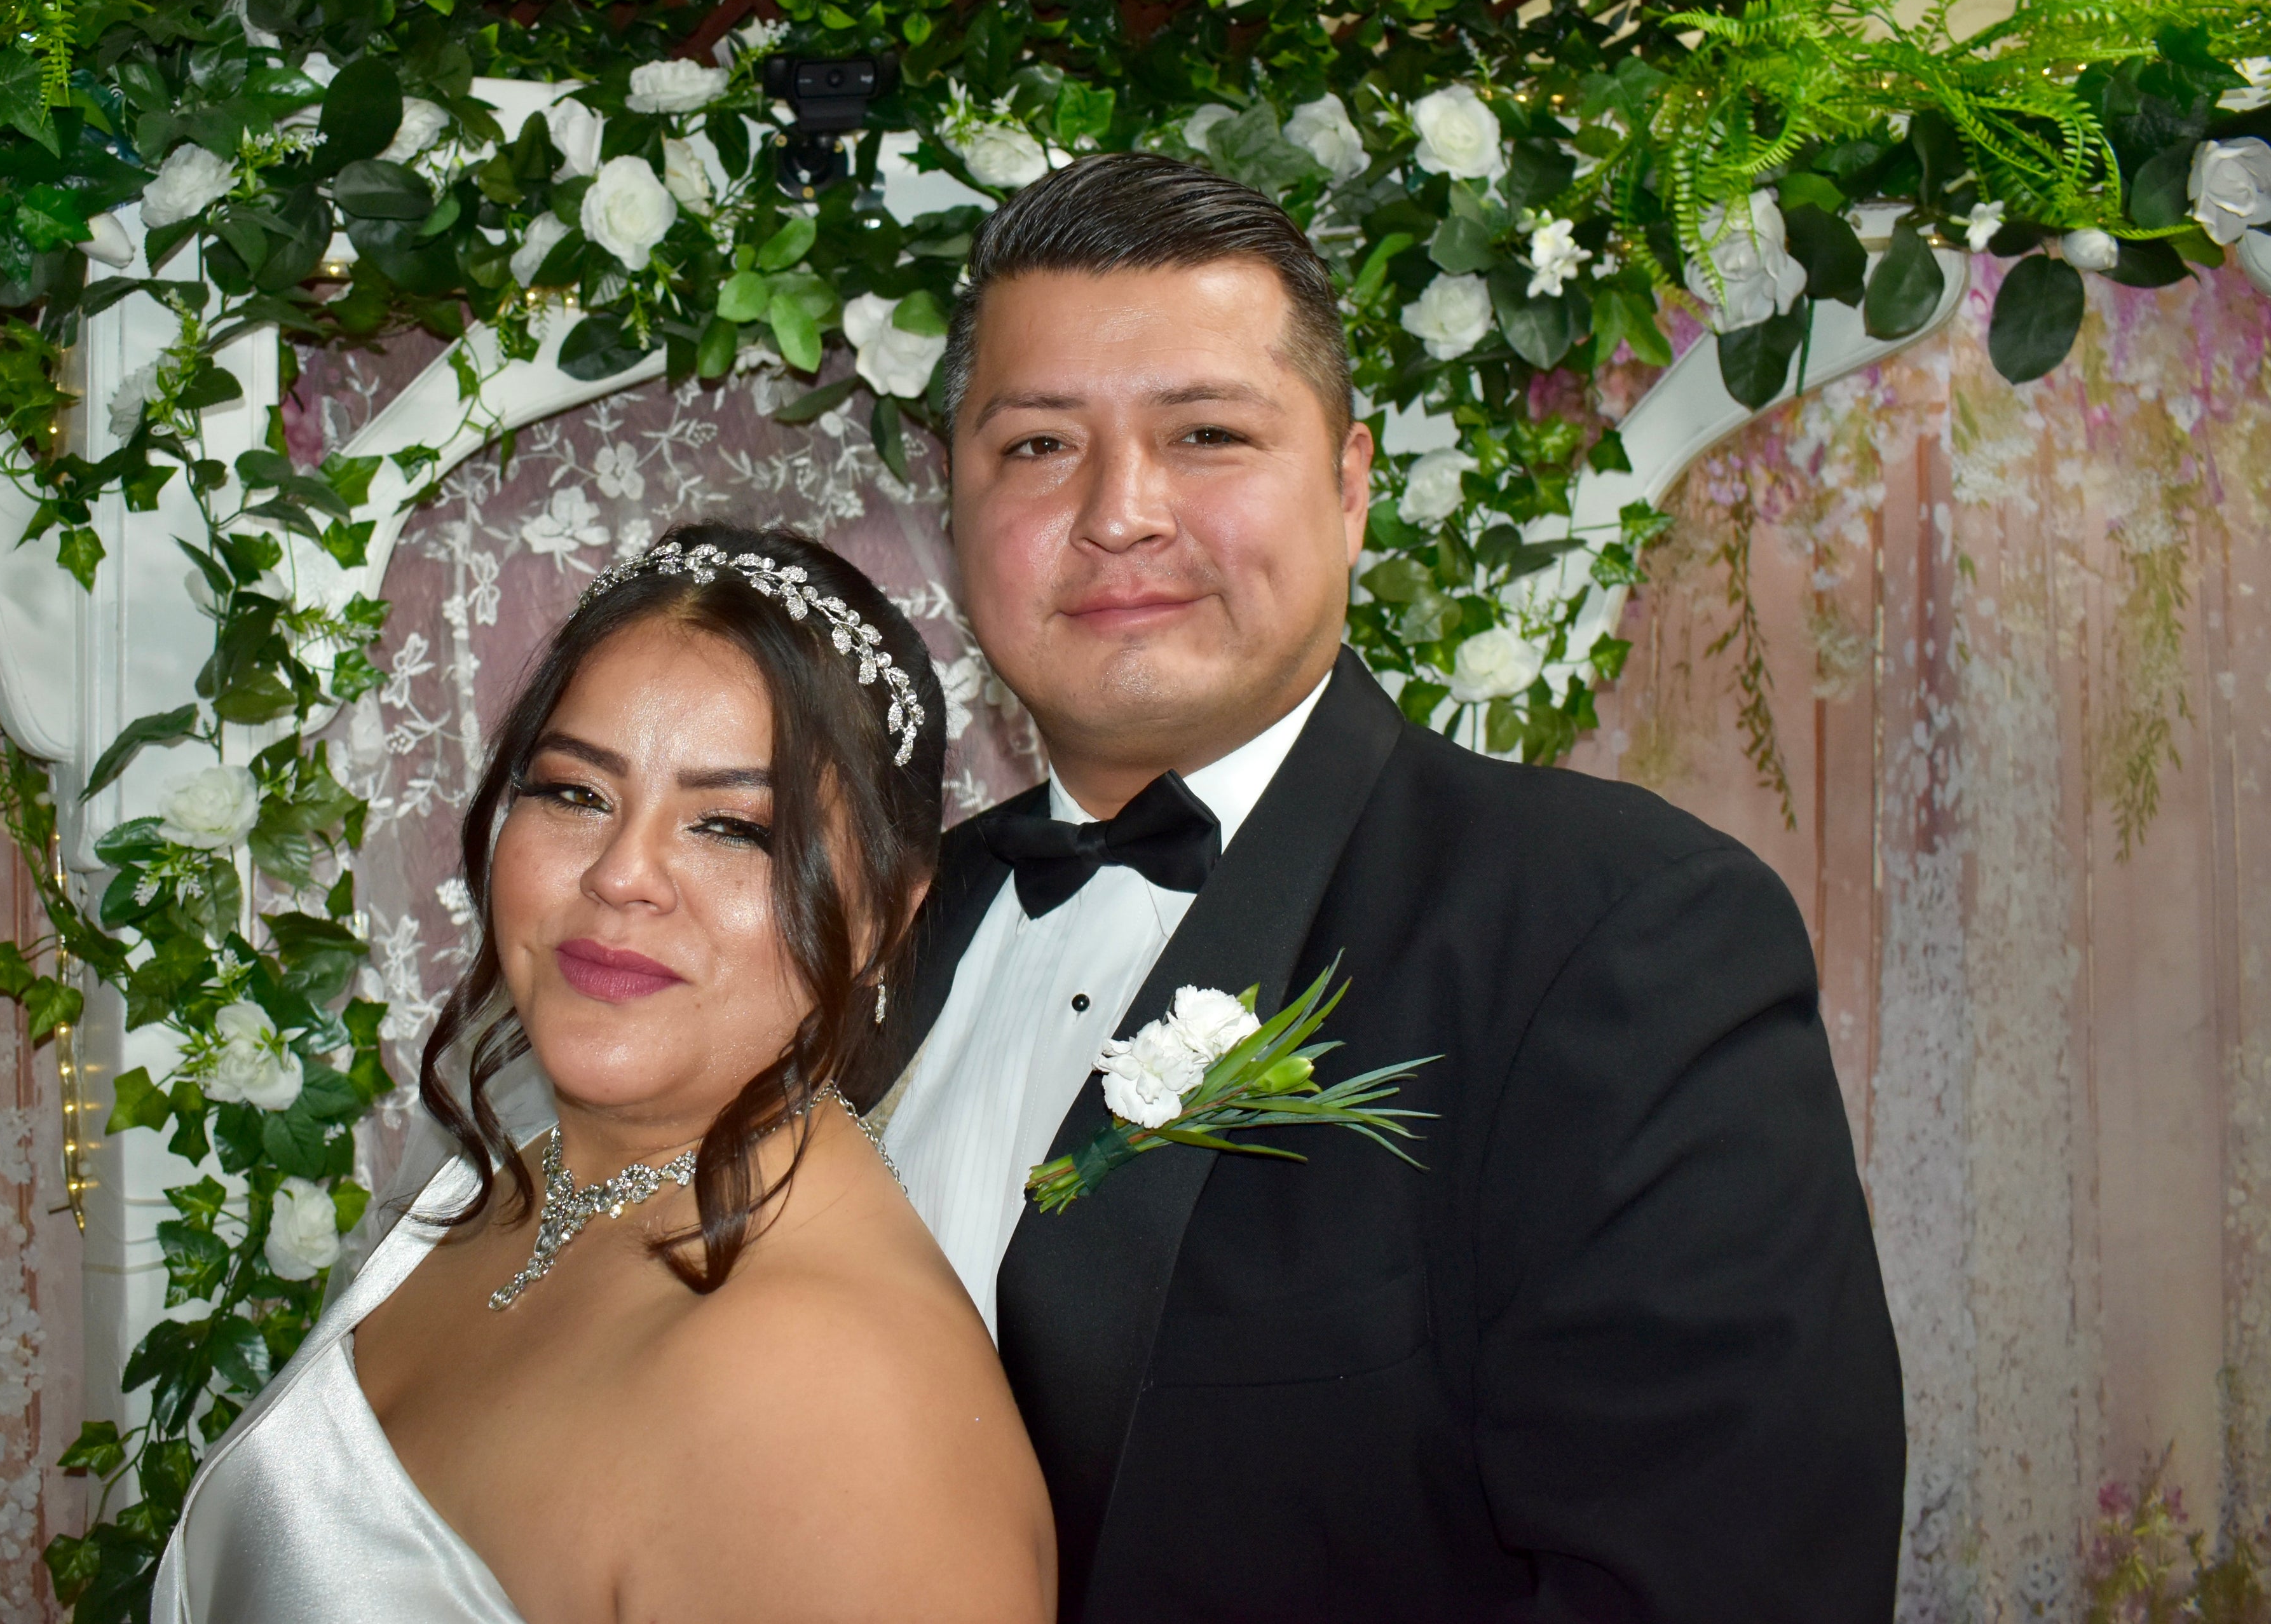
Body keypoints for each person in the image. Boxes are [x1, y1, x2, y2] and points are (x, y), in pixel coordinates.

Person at [877, 153, 1906, 1623]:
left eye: (1209, 434)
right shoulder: (883, 931)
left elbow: (1722, 1582)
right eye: (1038, 446)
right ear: (958, 506)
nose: (1119, 512)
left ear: (1352, 487)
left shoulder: (1615, 927)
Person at [154, 522, 1055, 1623]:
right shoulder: (508, 1182)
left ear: (885, 914)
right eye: (576, 793)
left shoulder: (840, 1413)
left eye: (732, 825)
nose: (623, 873)